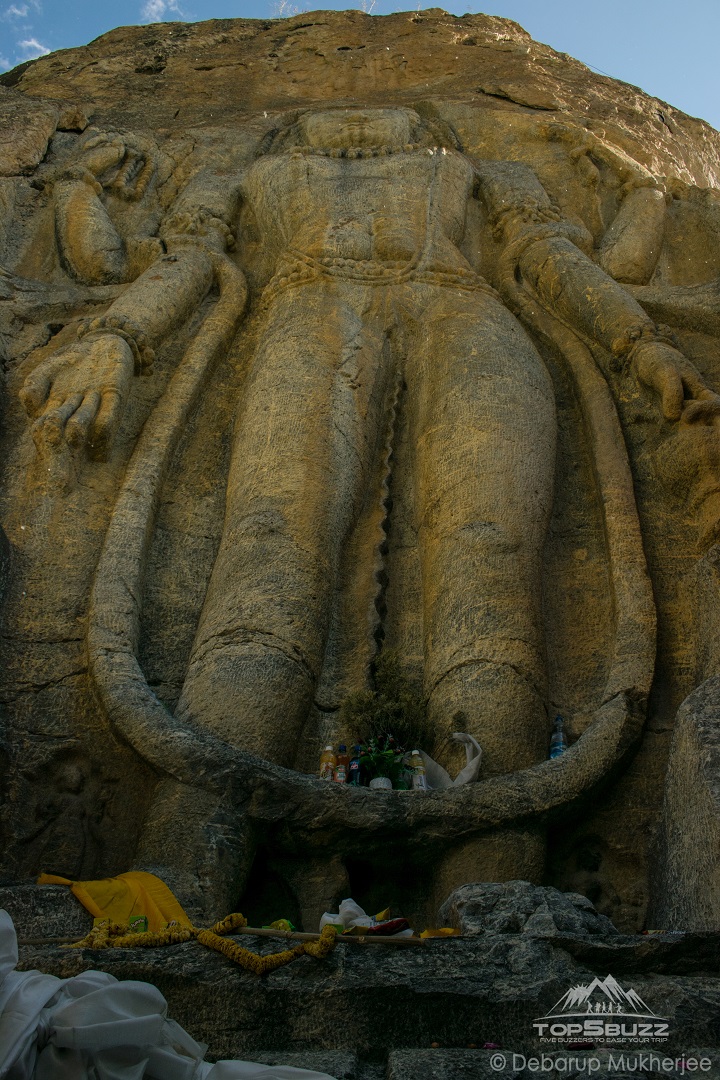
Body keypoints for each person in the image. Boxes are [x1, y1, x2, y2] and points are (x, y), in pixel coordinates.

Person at [19, 107, 720, 779]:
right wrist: (117, 335)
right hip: (308, 310)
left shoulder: (486, 171)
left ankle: (492, 867)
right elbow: (164, 264)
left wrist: (641, 343)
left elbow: (557, 257)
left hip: (464, 315)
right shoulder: (235, 181)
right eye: (330, 108)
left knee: (491, 556)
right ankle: (187, 850)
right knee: (268, 546)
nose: (355, 116)